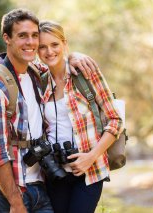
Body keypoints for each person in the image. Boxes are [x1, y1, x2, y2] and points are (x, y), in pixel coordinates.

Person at [0, 9, 98, 213]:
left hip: (38, 184)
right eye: (22, 35)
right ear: (7, 38)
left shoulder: (35, 74)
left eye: (34, 35)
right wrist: (15, 202)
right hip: (6, 190)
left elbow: (57, 63)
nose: (30, 42)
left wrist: (74, 56)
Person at [38, 21, 123, 213]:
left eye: (54, 45)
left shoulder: (85, 73)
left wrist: (91, 157)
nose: (49, 51)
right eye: (42, 47)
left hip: (90, 171)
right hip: (55, 172)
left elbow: (115, 120)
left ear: (64, 44)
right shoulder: (40, 80)